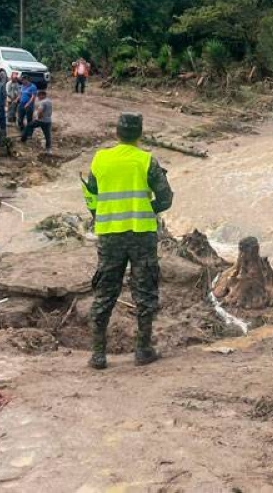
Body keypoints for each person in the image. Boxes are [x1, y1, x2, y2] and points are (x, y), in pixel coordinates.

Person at [81, 113, 174, 370]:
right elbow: (166, 198)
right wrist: (147, 207)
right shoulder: (146, 161)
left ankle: (98, 355)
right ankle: (143, 350)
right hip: (142, 234)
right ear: (140, 134)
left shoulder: (100, 159)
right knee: (144, 291)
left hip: (109, 234)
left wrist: (104, 216)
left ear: (116, 132)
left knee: (105, 291)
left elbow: (91, 197)